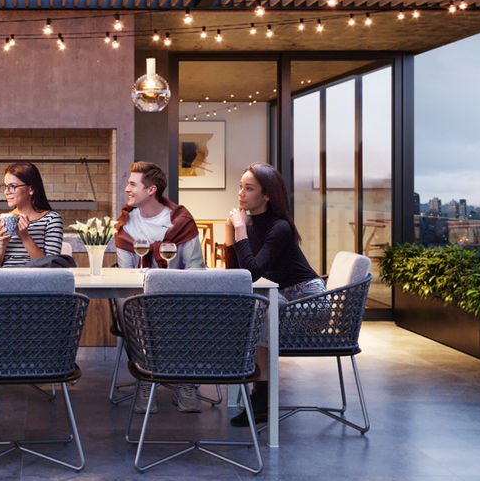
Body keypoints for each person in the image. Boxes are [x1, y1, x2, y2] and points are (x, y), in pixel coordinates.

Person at [224, 161, 324, 427]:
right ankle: (259, 395)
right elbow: (237, 276)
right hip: (285, 300)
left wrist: (240, 230)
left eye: (249, 188)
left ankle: (261, 396)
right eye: (240, 187)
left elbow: (252, 274)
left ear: (266, 194)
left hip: (310, 303)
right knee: (259, 307)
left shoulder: (280, 227)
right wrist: (230, 231)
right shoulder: (250, 223)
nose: (241, 194)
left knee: (262, 307)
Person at [114, 161, 204, 413]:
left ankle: (183, 379)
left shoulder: (181, 221)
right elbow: (125, 275)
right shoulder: (126, 224)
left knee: (184, 305)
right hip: (139, 299)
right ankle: (145, 375)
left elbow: (196, 267)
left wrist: (171, 291)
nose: (126, 189)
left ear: (151, 189)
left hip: (178, 296)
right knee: (127, 303)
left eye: (132, 184)